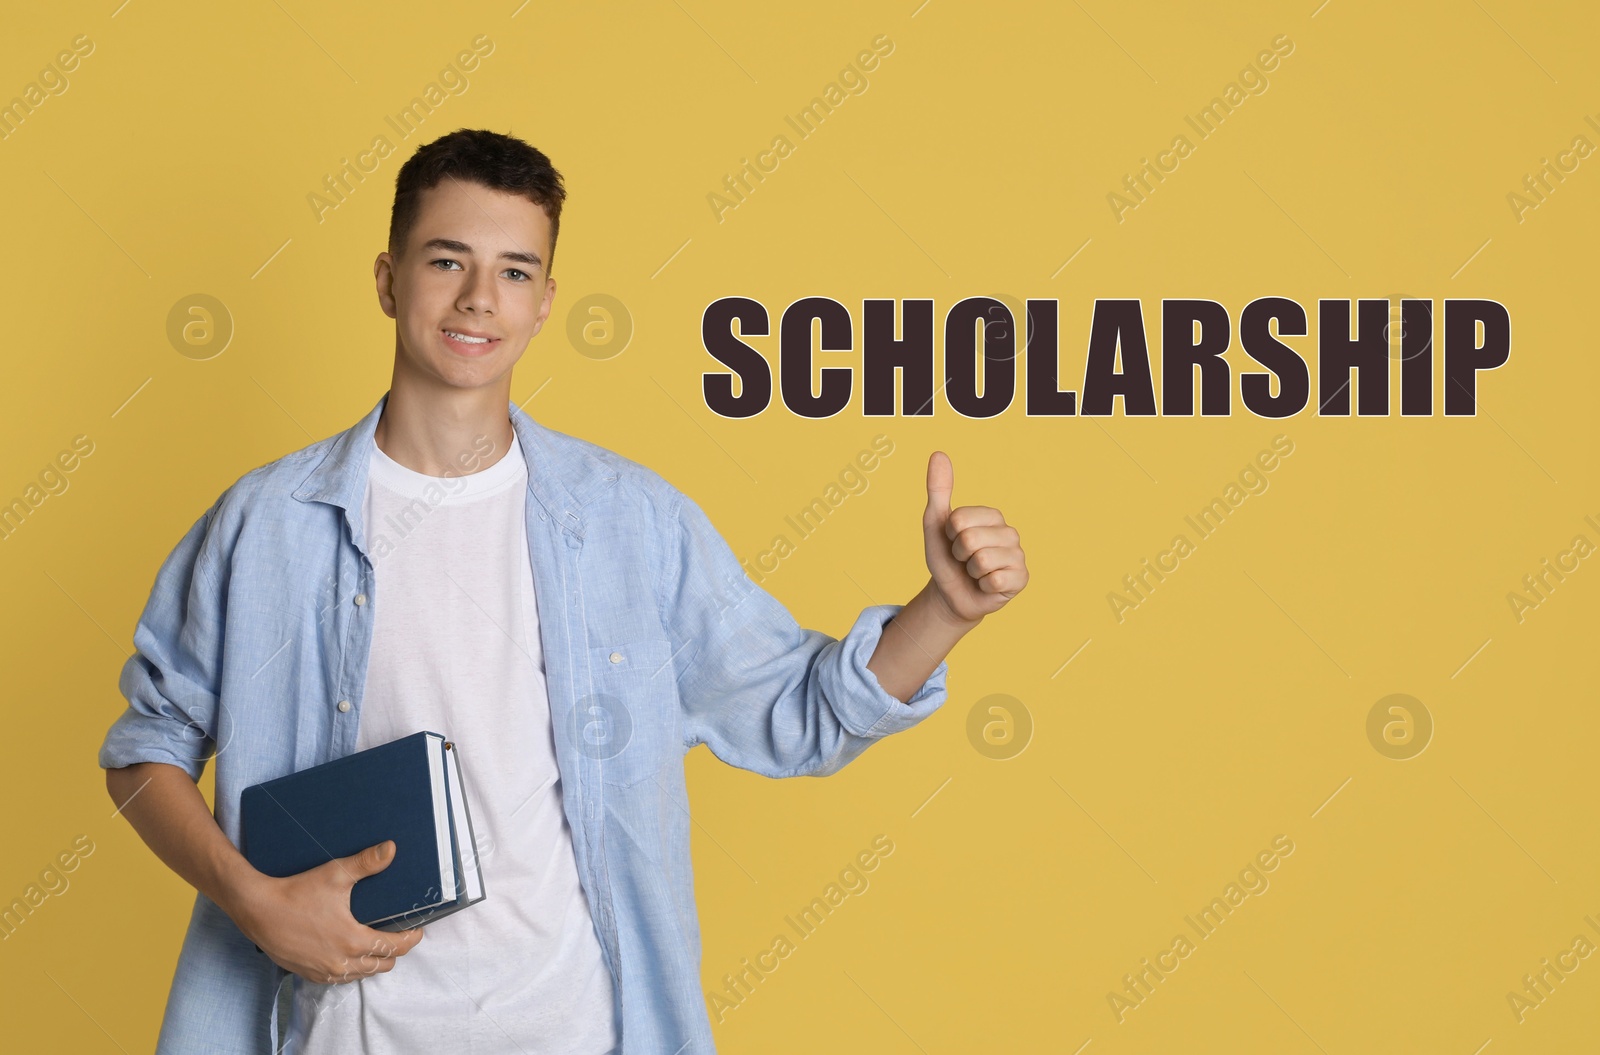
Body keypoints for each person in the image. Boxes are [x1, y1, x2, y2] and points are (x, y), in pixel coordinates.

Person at [100, 127, 1029, 1055]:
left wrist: (945, 608)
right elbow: (145, 752)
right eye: (447, 260)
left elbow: (800, 711)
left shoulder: (632, 521)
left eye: (513, 272)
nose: (477, 298)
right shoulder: (264, 524)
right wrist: (252, 900)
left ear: (545, 302)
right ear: (388, 279)